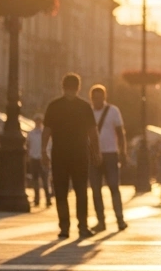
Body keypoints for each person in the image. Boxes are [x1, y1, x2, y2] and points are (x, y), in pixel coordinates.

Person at [42, 73, 99, 240]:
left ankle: (64, 228)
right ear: (79, 87)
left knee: (61, 191)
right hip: (80, 154)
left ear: (63, 86)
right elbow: (93, 133)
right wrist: (96, 152)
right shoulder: (85, 106)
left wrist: (43, 151)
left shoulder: (54, 106)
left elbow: (46, 131)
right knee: (81, 191)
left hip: (59, 154)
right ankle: (82, 227)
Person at [88, 84, 128, 232]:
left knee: (114, 187)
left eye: (99, 98)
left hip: (111, 154)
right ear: (91, 98)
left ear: (104, 97)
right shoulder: (88, 112)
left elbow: (120, 132)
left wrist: (123, 152)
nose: (96, 101)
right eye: (94, 98)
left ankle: (120, 220)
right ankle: (101, 222)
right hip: (93, 155)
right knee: (96, 189)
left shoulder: (113, 111)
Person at [26, 116, 51, 209]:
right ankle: (37, 199)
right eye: (36, 121)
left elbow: (49, 145)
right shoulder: (31, 133)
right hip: (34, 159)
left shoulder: (45, 133)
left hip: (43, 158)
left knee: (45, 180)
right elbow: (28, 145)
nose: (38, 123)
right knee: (35, 180)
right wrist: (28, 156)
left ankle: (48, 199)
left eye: (39, 121)